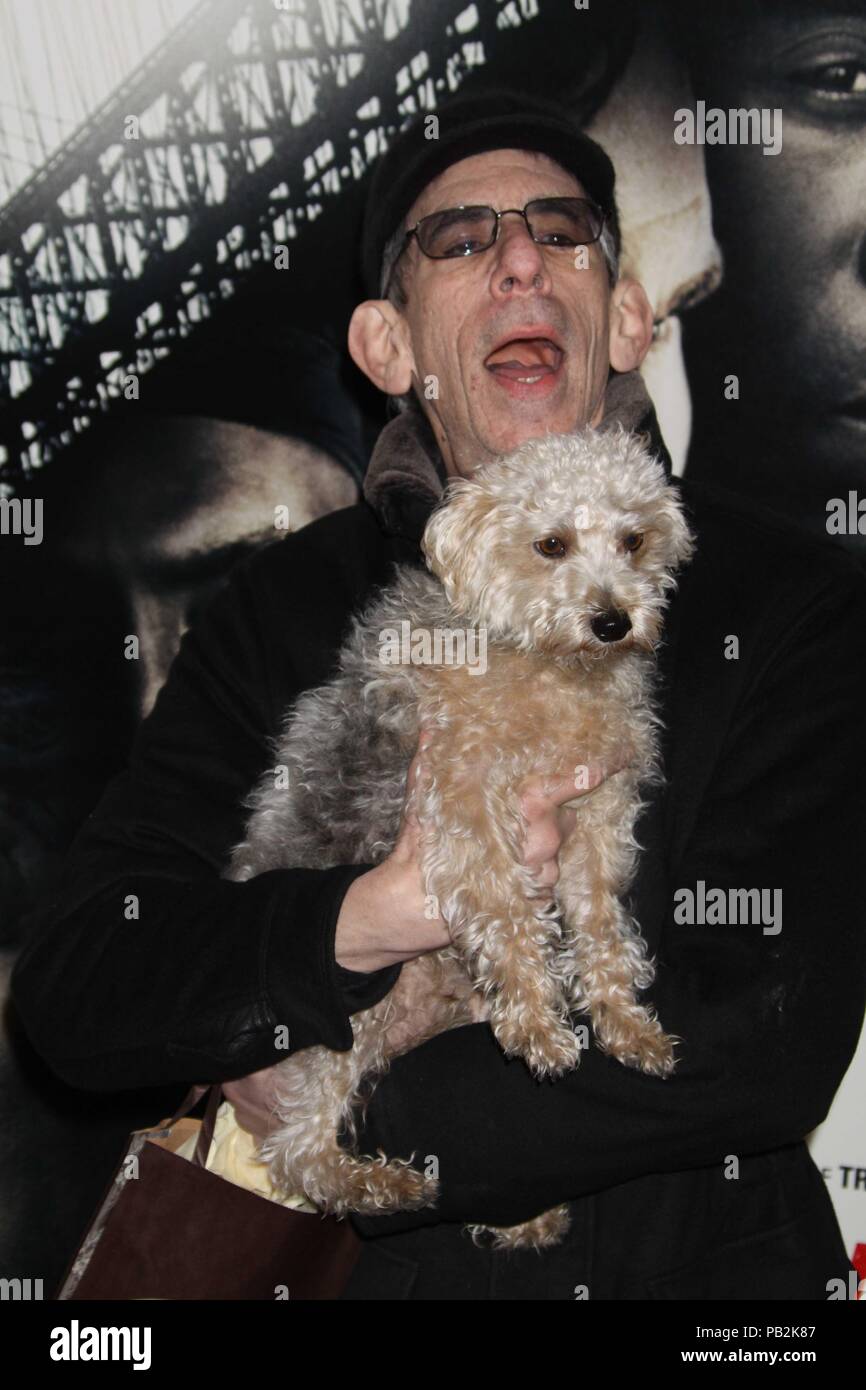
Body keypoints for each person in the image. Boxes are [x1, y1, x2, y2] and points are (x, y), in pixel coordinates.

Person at [10, 88, 866, 1301]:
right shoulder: (277, 608)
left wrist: (337, 1117)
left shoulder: (790, 598)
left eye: (561, 232)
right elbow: (87, 982)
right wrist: (351, 925)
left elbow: (758, 1033)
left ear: (624, 316)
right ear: (388, 347)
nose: (519, 259)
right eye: (460, 241)